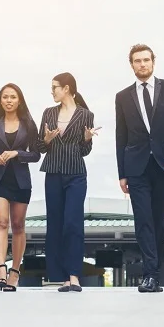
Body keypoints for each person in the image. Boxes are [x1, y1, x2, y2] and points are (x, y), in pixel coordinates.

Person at [115, 44, 164, 293]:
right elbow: (121, 136)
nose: (142, 64)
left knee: (158, 220)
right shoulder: (122, 96)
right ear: (132, 65)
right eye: (137, 61)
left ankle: (153, 274)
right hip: (135, 167)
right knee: (143, 221)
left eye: (146, 60)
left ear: (153, 62)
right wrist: (121, 173)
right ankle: (151, 274)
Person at [38, 72, 100, 292]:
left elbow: (85, 151)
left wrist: (86, 139)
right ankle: (58, 276)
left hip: (75, 173)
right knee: (54, 224)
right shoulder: (48, 112)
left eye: (55, 87)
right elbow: (40, 147)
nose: (52, 91)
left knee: (73, 223)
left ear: (66, 88)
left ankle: (73, 276)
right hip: (53, 172)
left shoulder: (86, 115)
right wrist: (46, 140)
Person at [0, 83, 40, 292]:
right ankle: (1, 269)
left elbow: (35, 154)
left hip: (21, 180)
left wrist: (17, 153)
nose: (8, 100)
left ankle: (14, 271)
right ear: (0, 100)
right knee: (1, 222)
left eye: (12, 97)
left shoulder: (29, 125)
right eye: (5, 97)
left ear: (19, 100)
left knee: (17, 225)